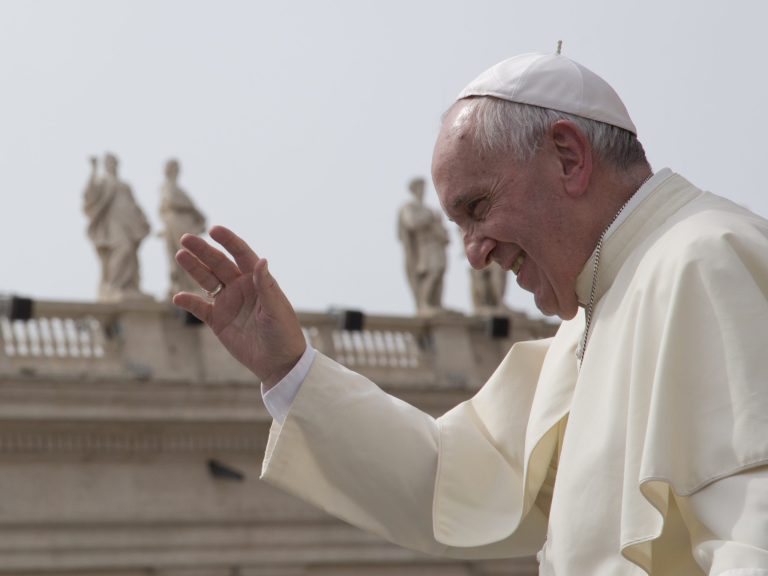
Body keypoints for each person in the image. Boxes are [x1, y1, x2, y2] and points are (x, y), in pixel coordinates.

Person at [172, 52, 768, 575]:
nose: (474, 254)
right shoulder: (590, 320)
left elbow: (754, 537)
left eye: (478, 208)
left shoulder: (706, 260)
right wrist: (289, 367)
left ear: (568, 157)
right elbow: (451, 481)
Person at [83, 153, 151, 301]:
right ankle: (114, 286)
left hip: (129, 221)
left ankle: (129, 287)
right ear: (105, 165)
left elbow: (134, 204)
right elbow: (90, 193)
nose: (112, 165)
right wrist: (93, 171)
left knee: (131, 254)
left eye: (114, 162)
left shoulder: (125, 185)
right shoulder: (103, 181)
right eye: (109, 162)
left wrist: (143, 219)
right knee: (123, 248)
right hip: (113, 222)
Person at [397, 176, 450, 314]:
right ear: (414, 190)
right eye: (420, 187)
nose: (422, 191)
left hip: (436, 245)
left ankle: (436, 304)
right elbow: (411, 222)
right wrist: (429, 218)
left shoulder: (429, 209)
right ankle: (424, 303)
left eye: (423, 188)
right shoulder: (409, 207)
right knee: (432, 271)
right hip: (424, 247)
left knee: (440, 272)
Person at [158, 158, 207, 298]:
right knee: (183, 253)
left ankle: (194, 286)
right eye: (172, 167)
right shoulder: (167, 186)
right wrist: (193, 209)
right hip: (175, 221)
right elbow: (170, 203)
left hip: (181, 222)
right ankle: (185, 286)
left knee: (188, 252)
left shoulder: (174, 187)